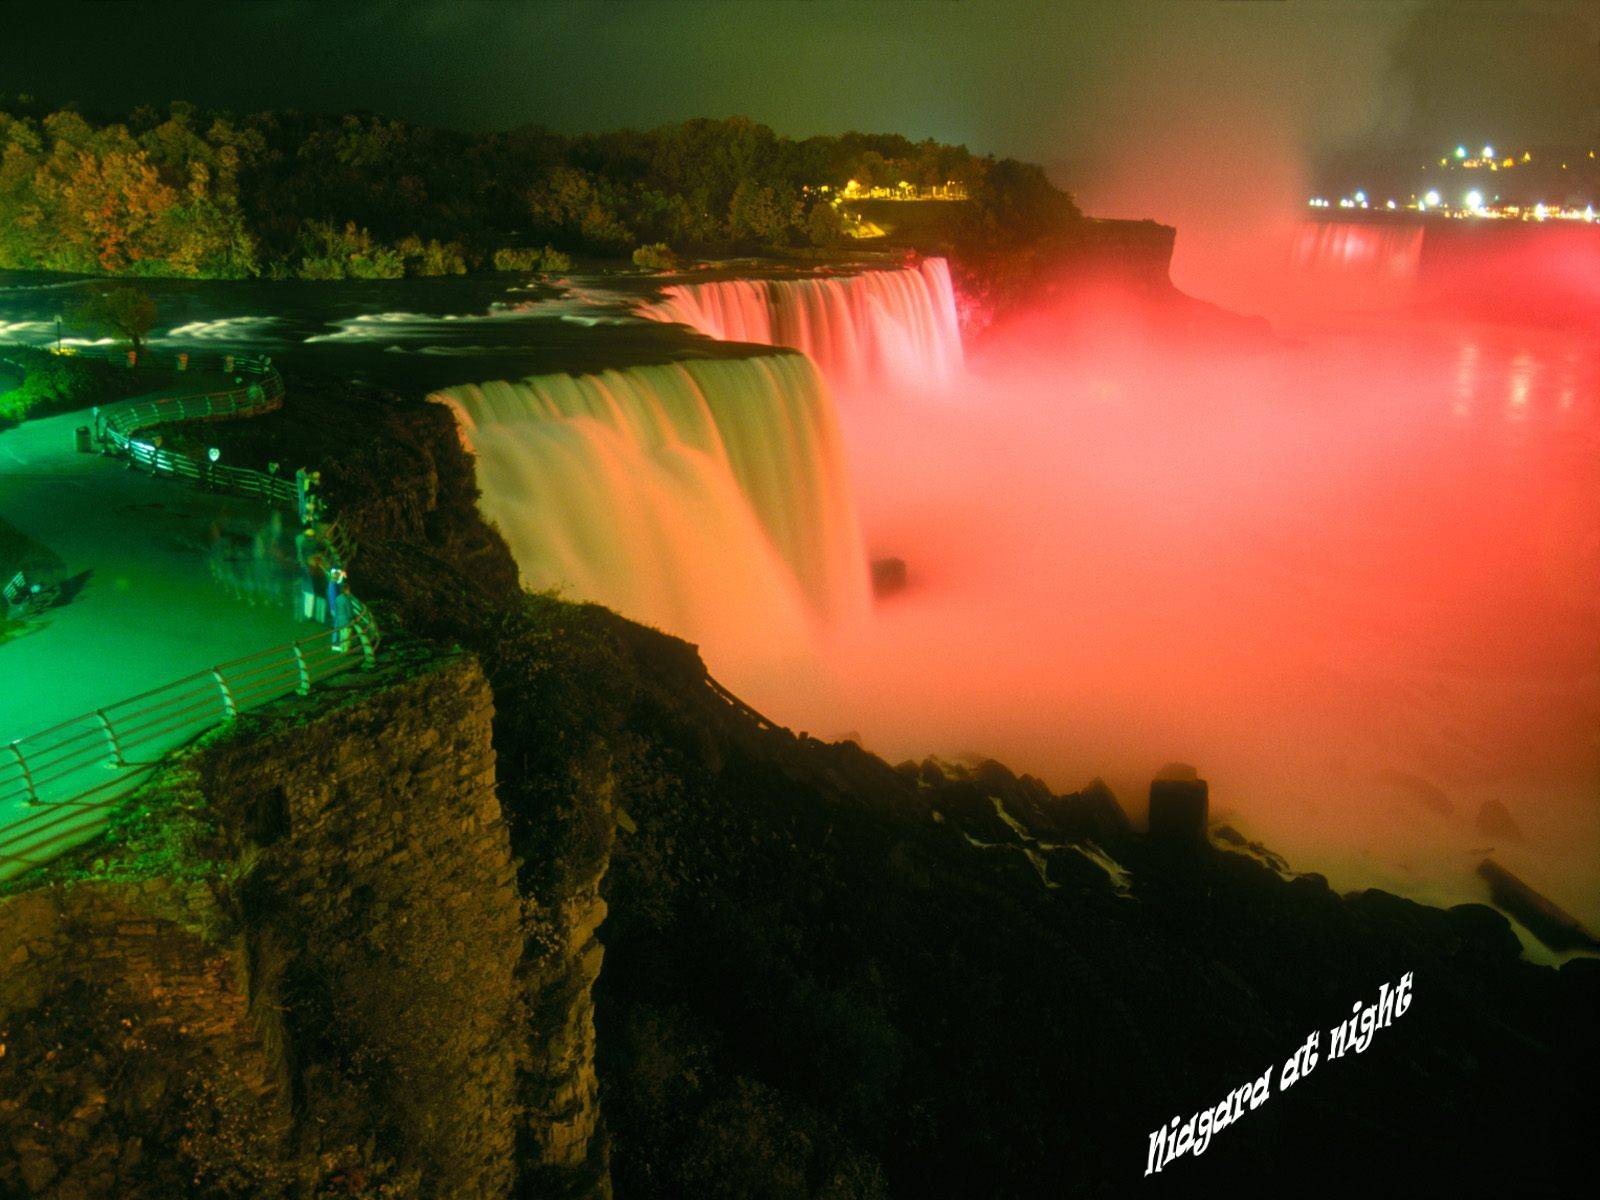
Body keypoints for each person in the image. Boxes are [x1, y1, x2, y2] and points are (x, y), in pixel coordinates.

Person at [328, 568, 353, 653]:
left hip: (334, 608)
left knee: (337, 625)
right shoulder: (333, 585)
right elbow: (334, 597)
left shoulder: (332, 584)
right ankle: (335, 643)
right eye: (337, 575)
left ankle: (336, 643)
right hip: (336, 609)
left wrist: (341, 575)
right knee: (336, 625)